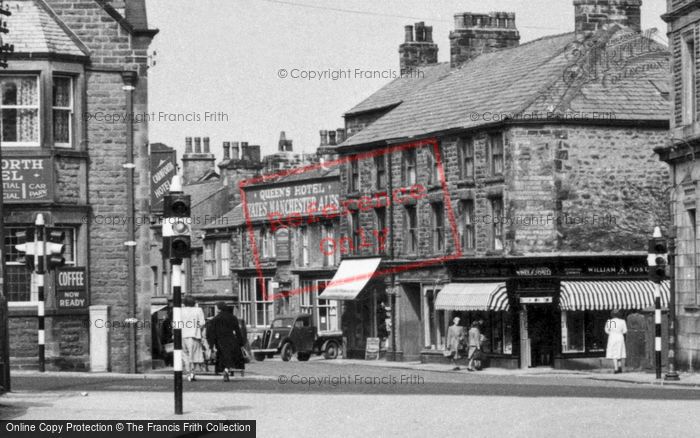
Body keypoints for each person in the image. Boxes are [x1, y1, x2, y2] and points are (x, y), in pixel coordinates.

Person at [206, 302, 245, 381]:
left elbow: (211, 332)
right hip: (231, 339)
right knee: (230, 357)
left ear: (219, 309)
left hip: (220, 340)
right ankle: (227, 370)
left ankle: (225, 370)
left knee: (222, 357)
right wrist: (241, 342)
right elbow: (237, 331)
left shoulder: (215, 319)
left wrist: (211, 344)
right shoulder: (233, 318)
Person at [180, 296, 206, 381]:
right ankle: (192, 373)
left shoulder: (180, 310)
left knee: (184, 355)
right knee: (193, 355)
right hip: (194, 335)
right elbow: (202, 323)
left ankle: (188, 372)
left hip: (182, 335)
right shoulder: (198, 310)